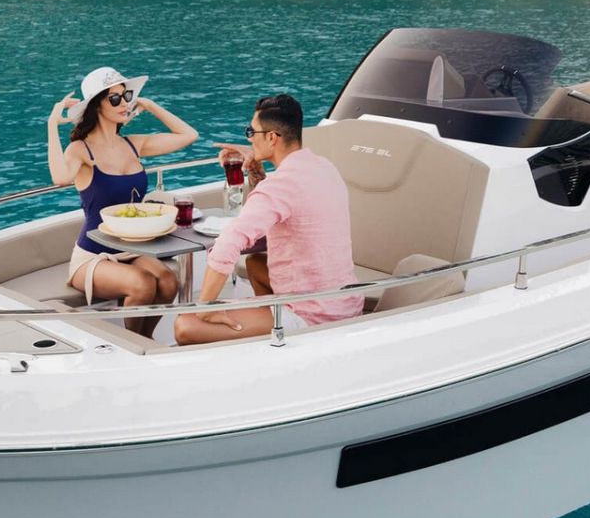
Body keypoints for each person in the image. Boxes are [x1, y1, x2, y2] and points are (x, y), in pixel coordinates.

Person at [174, 94, 363, 345]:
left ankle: (283, 330)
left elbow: (228, 243)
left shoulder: (281, 185)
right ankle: (265, 335)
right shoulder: (324, 167)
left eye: (252, 132)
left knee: (185, 326)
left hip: (315, 315)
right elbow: (285, 215)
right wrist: (256, 174)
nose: (249, 139)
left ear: (272, 137)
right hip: (345, 302)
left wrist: (206, 307)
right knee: (255, 264)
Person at [48, 67, 198, 335]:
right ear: (96, 106)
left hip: (130, 250)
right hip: (92, 257)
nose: (124, 103)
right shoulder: (81, 149)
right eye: (115, 99)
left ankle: (144, 338)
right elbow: (60, 178)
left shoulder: (133, 144)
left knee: (168, 281)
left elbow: (189, 136)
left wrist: (149, 105)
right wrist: (51, 125)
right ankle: (136, 344)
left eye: (127, 96)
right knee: (142, 284)